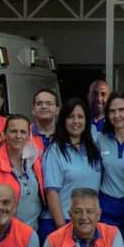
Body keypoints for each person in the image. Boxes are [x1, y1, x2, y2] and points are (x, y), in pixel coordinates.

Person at [42, 98, 103, 237]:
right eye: (70, 117)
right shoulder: (55, 151)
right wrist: (61, 228)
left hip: (88, 221)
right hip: (62, 222)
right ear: (63, 120)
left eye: (80, 117)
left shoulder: (93, 148)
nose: (76, 121)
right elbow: (51, 192)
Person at [0, 114, 44, 231]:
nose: (18, 136)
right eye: (13, 131)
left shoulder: (34, 160)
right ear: (4, 135)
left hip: (33, 233)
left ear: (29, 136)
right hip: (6, 234)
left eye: (23, 132)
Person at [96, 92, 124, 235]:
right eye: (112, 111)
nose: (117, 115)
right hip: (108, 206)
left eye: (121, 110)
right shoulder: (100, 139)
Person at [31, 87, 59, 153]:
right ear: (33, 110)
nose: (44, 106)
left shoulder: (66, 135)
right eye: (39, 103)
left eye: (49, 103)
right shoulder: (24, 135)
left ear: (57, 110)